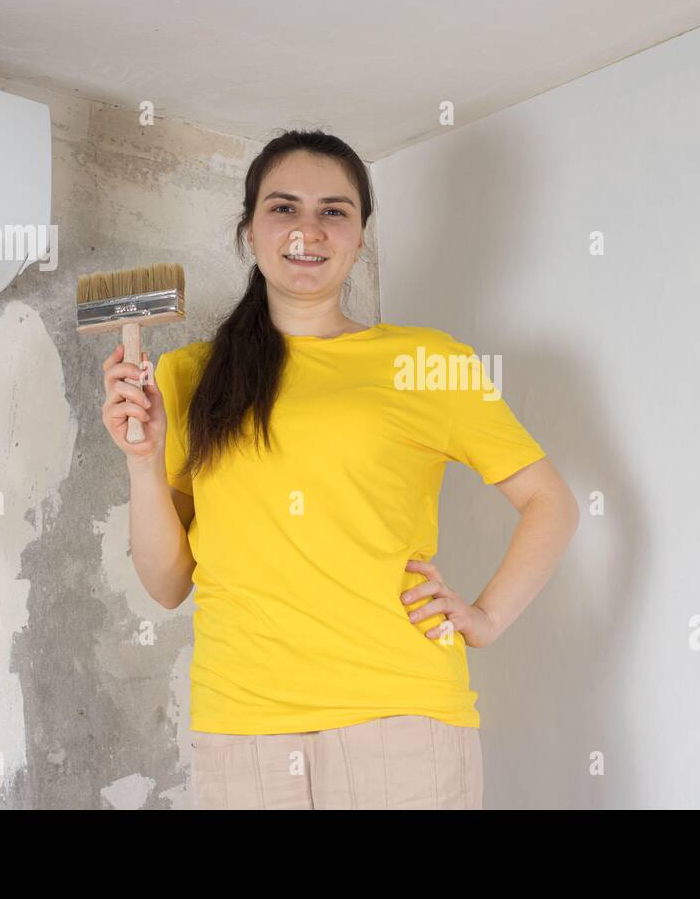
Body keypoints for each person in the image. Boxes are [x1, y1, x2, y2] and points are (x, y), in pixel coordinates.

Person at [100, 129, 579, 809]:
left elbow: (550, 502)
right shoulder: (188, 377)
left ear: (360, 236)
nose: (308, 228)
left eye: (334, 210)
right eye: (284, 207)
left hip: (399, 718)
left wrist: (487, 617)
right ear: (249, 230)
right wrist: (143, 467)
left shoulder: (426, 362)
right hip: (242, 726)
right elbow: (168, 583)